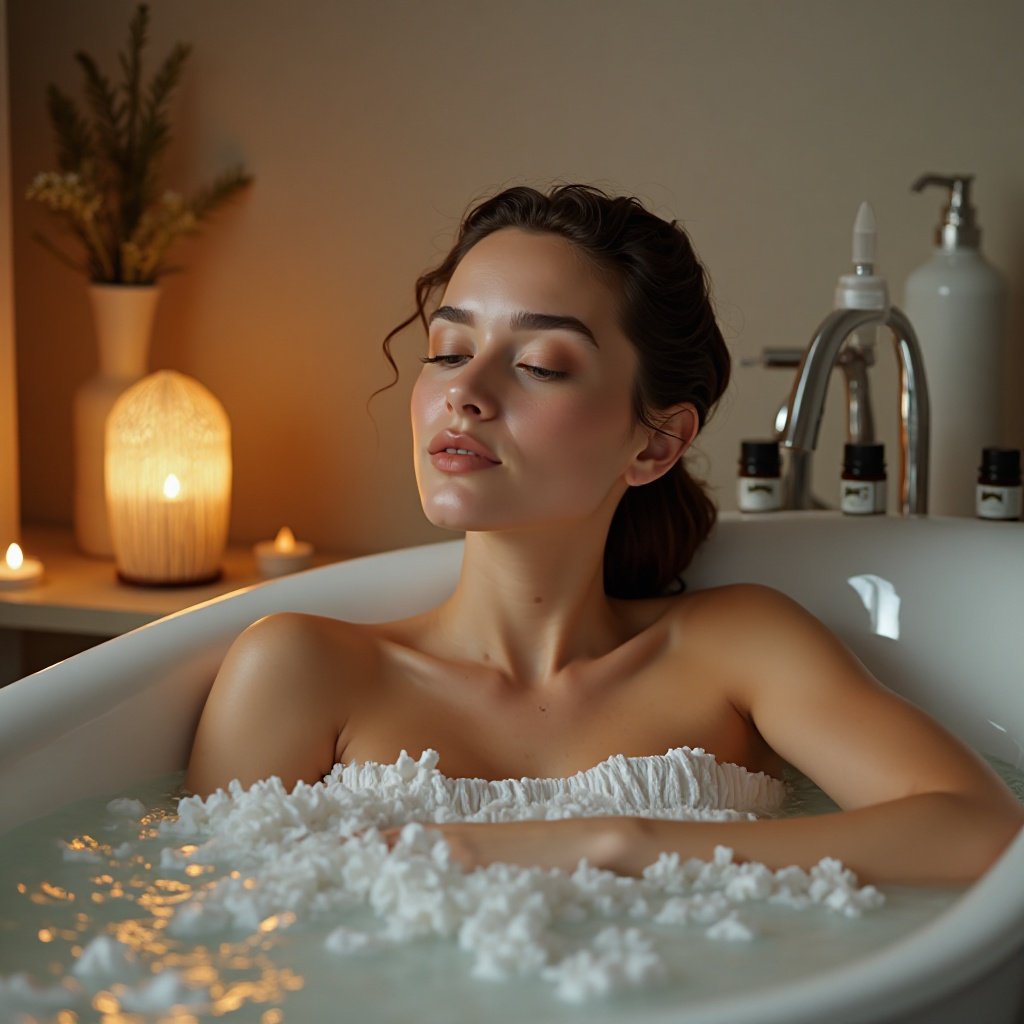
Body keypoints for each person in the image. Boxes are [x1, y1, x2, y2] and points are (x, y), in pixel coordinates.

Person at [185, 183, 1023, 884]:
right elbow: (202, 935)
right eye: (447, 349)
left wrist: (617, 844)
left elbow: (983, 831)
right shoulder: (299, 669)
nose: (464, 392)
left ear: (654, 442)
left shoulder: (735, 649)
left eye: (540, 364)